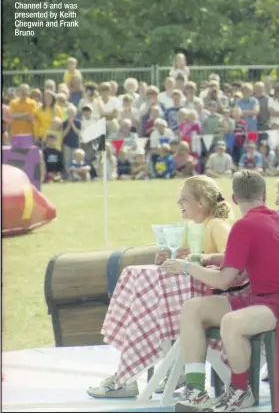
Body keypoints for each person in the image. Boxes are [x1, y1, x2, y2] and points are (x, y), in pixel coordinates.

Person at [88, 175, 233, 399]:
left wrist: (199, 258)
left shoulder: (216, 225)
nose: (179, 205)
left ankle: (129, 377)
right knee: (153, 309)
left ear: (201, 203)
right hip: (195, 298)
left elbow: (233, 257)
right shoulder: (193, 228)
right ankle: (166, 370)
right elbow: (185, 257)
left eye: (184, 199)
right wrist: (168, 256)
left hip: (217, 299)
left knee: (150, 311)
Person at [161, 170, 279, 412]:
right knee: (193, 308)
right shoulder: (271, 218)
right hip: (258, 298)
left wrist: (186, 267)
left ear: (234, 199)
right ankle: (196, 390)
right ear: (264, 195)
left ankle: (239, 392)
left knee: (231, 322)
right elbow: (240, 257)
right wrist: (205, 258)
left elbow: (224, 281)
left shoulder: (244, 226)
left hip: (272, 304)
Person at [62, 105, 81, 178]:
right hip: (66, 144)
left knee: (74, 160)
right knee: (67, 160)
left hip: (75, 144)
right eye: (69, 112)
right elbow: (63, 134)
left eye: (72, 112)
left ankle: (75, 175)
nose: (71, 114)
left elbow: (78, 132)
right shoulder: (64, 123)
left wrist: (72, 124)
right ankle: (68, 175)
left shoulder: (78, 122)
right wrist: (68, 125)